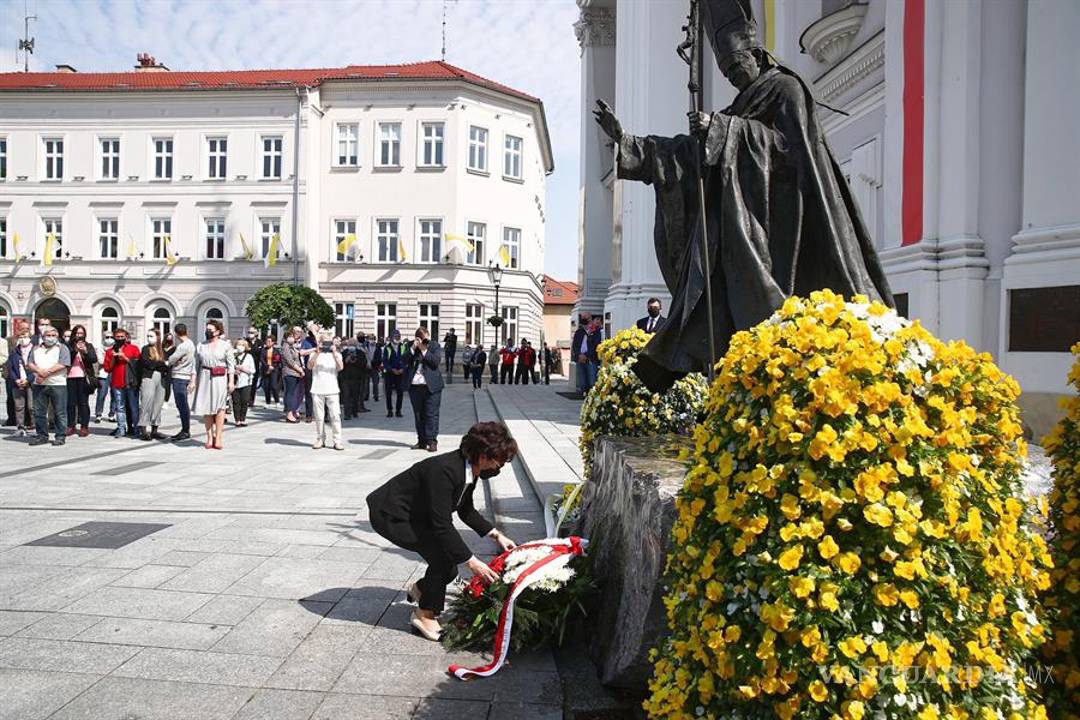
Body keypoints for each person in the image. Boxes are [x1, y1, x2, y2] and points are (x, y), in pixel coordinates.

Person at [365, 421, 518, 640]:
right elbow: (442, 525)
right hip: (391, 515)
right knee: (444, 560)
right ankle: (424, 615)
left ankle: (420, 589)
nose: (499, 469)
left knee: (448, 567)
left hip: (417, 515)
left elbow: (466, 509)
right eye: (499, 463)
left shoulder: (468, 469)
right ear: (484, 456)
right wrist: (472, 562)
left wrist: (496, 535)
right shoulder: (446, 470)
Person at [190, 319, 235, 450]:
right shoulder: (201, 345)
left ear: (218, 331)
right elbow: (195, 365)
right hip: (205, 376)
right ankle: (209, 436)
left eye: (211, 330)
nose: (208, 332)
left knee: (220, 407)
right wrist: (193, 381)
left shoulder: (225, 345)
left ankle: (219, 436)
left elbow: (231, 365)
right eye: (207, 329)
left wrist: (231, 381)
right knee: (207, 407)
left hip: (220, 378)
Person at [26, 325, 70, 446]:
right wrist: (39, 372)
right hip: (39, 384)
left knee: (59, 412)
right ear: (43, 336)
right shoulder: (35, 348)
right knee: (39, 412)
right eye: (48, 335)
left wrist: (45, 373)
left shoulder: (62, 348)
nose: (50, 338)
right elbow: (30, 363)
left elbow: (63, 364)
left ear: (57, 336)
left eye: (53, 335)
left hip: (58, 384)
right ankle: (41, 436)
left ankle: (60, 436)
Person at [406, 327, 443, 452]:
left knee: (431, 414)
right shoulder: (411, 346)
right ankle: (421, 441)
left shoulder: (434, 346)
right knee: (418, 414)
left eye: (424, 338)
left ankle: (432, 441)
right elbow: (404, 360)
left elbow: (435, 362)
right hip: (415, 386)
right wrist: (413, 348)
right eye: (420, 338)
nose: (422, 340)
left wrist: (424, 349)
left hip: (432, 386)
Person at [309, 330, 344, 450]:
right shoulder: (314, 353)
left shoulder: (337, 354)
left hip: (332, 389)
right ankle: (320, 438)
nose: (326, 345)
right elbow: (309, 366)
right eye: (324, 342)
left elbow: (340, 367)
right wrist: (317, 352)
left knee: (335, 415)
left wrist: (334, 353)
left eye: (328, 343)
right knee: (319, 416)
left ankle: (337, 440)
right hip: (317, 388)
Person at [103, 328, 141, 438]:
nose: (120, 338)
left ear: (126, 337)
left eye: (122, 337)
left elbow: (138, 365)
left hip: (131, 382)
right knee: (120, 407)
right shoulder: (110, 351)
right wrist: (114, 358)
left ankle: (136, 428)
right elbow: (107, 369)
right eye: (117, 337)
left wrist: (125, 357)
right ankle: (121, 428)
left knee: (134, 407)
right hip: (117, 383)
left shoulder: (133, 349)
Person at [137, 328, 169, 441]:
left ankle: (155, 429)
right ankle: (143, 429)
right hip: (148, 377)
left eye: (152, 336)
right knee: (146, 402)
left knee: (158, 403)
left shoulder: (162, 350)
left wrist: (160, 364)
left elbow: (166, 365)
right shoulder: (145, 349)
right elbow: (147, 363)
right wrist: (160, 364)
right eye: (148, 336)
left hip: (161, 378)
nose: (149, 338)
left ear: (158, 337)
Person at [65, 325, 97, 437]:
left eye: (81, 333)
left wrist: (85, 352)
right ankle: (71, 425)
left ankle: (84, 426)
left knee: (83, 403)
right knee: (70, 403)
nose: (79, 336)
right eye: (77, 333)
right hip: (70, 377)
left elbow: (94, 359)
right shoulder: (68, 345)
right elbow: (65, 359)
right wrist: (75, 351)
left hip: (84, 377)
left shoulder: (88, 345)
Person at [166, 323, 195, 441]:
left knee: (182, 404)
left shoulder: (183, 346)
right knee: (183, 404)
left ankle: (185, 430)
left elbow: (172, 359)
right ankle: (185, 429)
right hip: (186, 375)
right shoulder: (191, 344)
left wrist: (168, 361)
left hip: (179, 376)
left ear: (176, 333)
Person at [7, 323, 35, 436]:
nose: (23, 339)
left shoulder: (34, 350)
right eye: (21, 337)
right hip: (17, 382)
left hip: (31, 381)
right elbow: (11, 367)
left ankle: (34, 426)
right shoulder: (15, 351)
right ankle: (20, 427)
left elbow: (36, 368)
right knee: (19, 406)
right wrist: (16, 380)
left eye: (25, 337)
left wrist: (28, 379)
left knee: (31, 406)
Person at [572, 315, 602, 395]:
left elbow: (595, 346)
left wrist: (586, 355)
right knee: (582, 381)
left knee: (592, 380)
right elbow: (575, 345)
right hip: (580, 359)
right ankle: (584, 393)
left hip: (591, 359)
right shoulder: (579, 332)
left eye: (589, 320)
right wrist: (579, 355)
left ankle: (591, 395)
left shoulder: (596, 332)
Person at [382, 329, 407, 418]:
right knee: (388, 393)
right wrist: (392, 369)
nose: (397, 338)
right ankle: (389, 410)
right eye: (395, 336)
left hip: (400, 373)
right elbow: (385, 362)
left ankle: (398, 410)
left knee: (400, 392)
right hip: (390, 373)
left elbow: (406, 360)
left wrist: (402, 369)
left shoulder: (403, 347)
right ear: (391, 338)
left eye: (398, 336)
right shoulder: (387, 348)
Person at [281, 328, 304, 423]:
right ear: (286, 338)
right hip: (290, 372)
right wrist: (300, 370)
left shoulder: (291, 346)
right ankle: (289, 414)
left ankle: (292, 412)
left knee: (292, 393)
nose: (292, 338)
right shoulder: (285, 347)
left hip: (295, 373)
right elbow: (290, 361)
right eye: (290, 336)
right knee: (289, 393)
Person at [338, 336, 364, 420]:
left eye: (353, 343)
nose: (352, 345)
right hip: (346, 378)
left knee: (355, 395)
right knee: (346, 395)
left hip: (356, 378)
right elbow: (340, 365)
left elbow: (363, 364)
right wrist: (346, 360)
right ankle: (347, 414)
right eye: (350, 344)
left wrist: (356, 361)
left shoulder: (360, 353)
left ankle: (354, 411)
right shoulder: (344, 353)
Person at [232, 338, 255, 426]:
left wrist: (244, 369)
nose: (240, 347)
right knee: (236, 401)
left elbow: (253, 370)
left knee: (244, 400)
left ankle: (243, 419)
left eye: (242, 345)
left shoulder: (249, 357)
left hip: (246, 382)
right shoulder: (233, 356)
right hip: (235, 382)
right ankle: (237, 420)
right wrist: (234, 371)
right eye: (238, 345)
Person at [93, 330, 115, 423]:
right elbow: (101, 361)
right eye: (107, 337)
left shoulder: (116, 348)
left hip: (114, 373)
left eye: (111, 337)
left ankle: (112, 414)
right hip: (103, 373)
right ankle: (98, 414)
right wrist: (110, 357)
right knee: (101, 394)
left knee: (115, 395)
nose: (109, 339)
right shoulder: (100, 348)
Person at [299, 323, 318, 423]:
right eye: (313, 330)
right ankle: (309, 415)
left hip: (319, 369)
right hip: (309, 369)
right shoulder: (306, 341)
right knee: (309, 392)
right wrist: (314, 349)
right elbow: (302, 352)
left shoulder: (319, 339)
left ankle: (322, 414)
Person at [262, 335, 282, 405]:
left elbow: (278, 360)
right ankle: (268, 402)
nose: (268, 343)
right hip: (265, 370)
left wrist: (272, 366)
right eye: (267, 341)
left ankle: (277, 400)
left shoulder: (276, 351)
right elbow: (262, 360)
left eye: (269, 341)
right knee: (266, 387)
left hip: (274, 370)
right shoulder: (263, 350)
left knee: (274, 386)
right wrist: (268, 366)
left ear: (273, 342)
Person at [245, 326, 262, 407]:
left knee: (254, 383)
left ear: (256, 334)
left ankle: (251, 400)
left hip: (256, 365)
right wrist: (254, 350)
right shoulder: (245, 341)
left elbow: (260, 352)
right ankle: (246, 399)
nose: (250, 334)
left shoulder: (259, 342)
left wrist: (251, 350)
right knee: (246, 383)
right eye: (249, 332)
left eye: (252, 332)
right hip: (245, 365)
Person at [369, 336, 383, 403]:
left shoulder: (378, 347)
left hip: (375, 366)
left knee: (375, 382)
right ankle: (365, 396)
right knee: (366, 382)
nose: (371, 341)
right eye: (370, 339)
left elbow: (379, 358)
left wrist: (376, 363)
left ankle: (376, 396)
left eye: (372, 339)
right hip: (367, 367)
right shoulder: (366, 346)